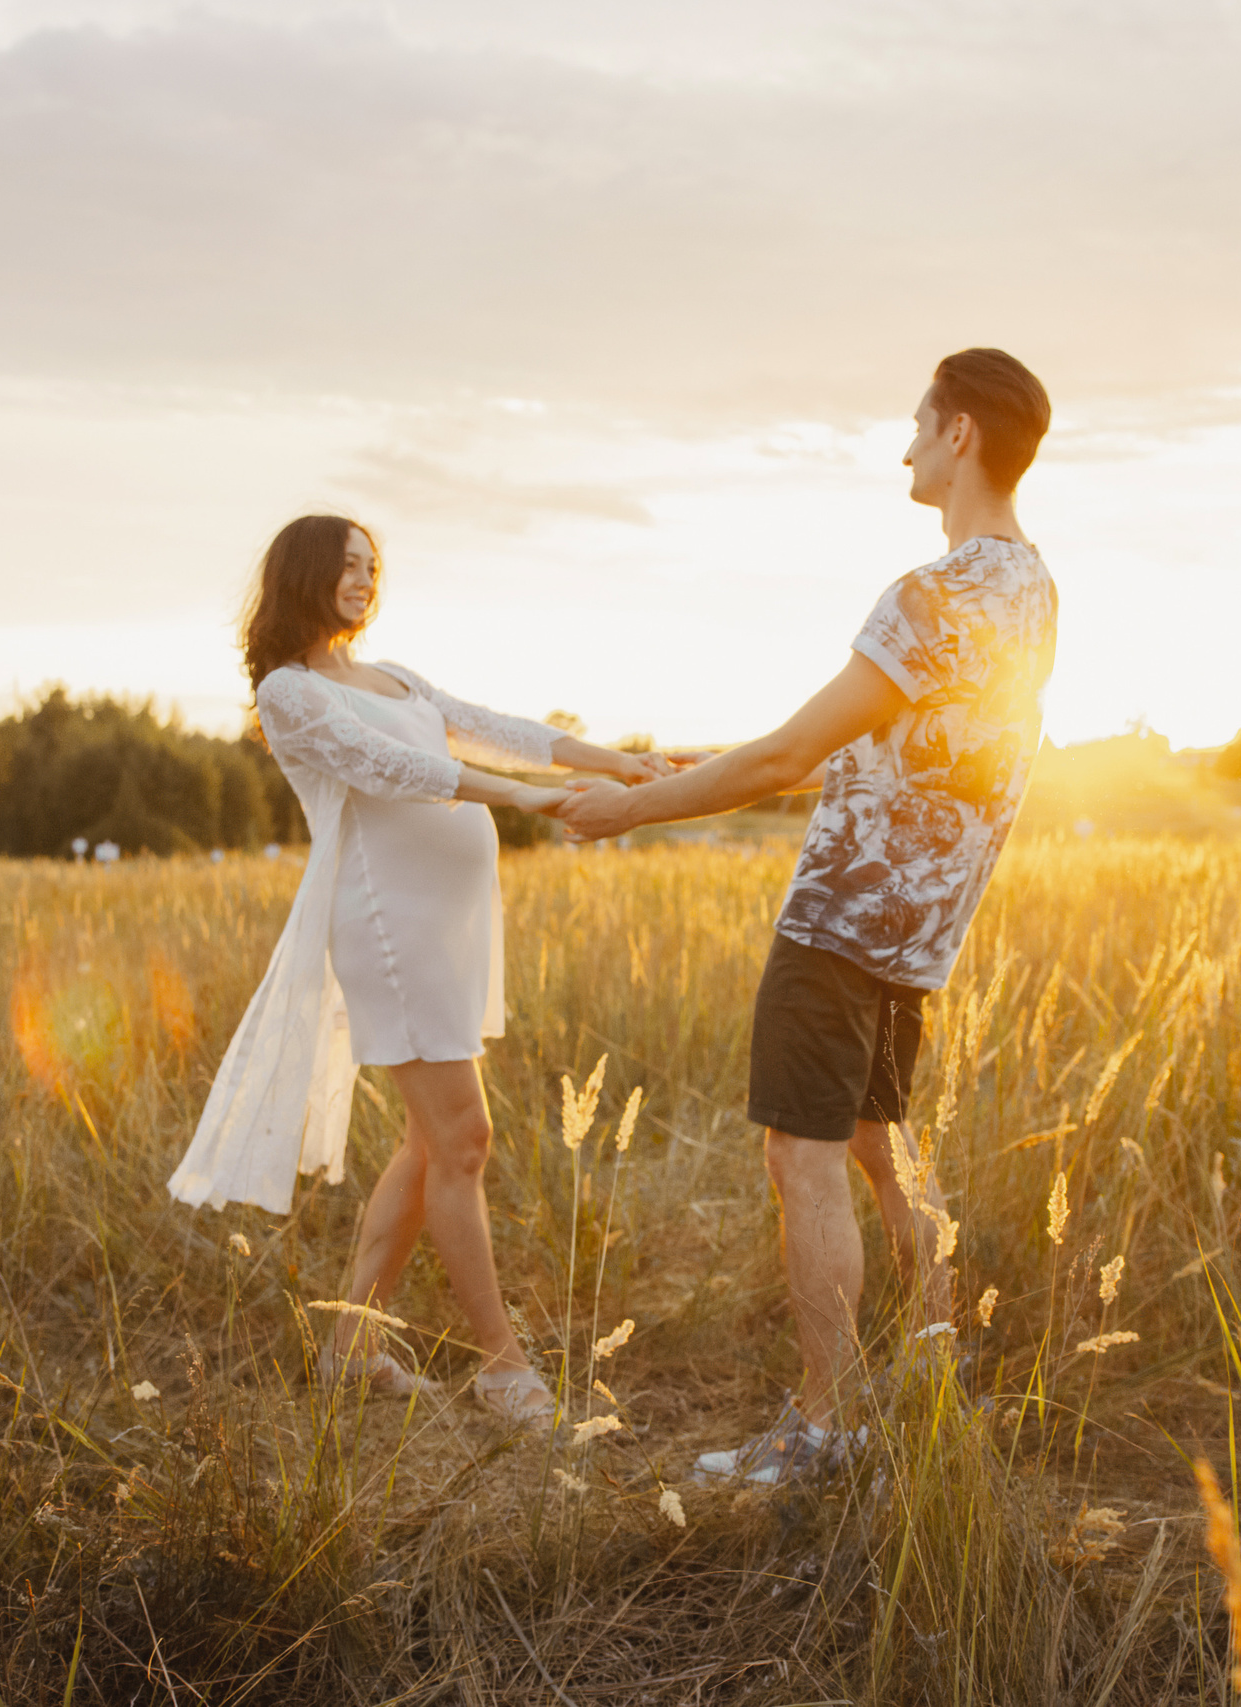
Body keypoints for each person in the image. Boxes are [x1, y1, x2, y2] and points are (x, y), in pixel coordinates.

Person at [560, 348, 1058, 1483]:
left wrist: (632, 810)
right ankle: (936, 1369)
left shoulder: (929, 593)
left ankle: (824, 1431)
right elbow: (880, 752)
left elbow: (798, 746)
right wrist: (705, 764)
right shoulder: (1029, 590)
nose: (905, 448)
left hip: (840, 923)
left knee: (806, 1158)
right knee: (883, 1149)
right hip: (918, 935)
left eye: (918, 426)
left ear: (960, 435)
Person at [168, 514, 667, 1427]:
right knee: (463, 1137)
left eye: (372, 566)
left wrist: (612, 760)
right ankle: (502, 1365)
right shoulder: (290, 692)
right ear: (305, 575)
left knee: (431, 1141)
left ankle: (351, 1349)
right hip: (388, 925)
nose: (363, 579)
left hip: (450, 926)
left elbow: (493, 726)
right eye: (346, 566)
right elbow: (396, 767)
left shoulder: (391, 676)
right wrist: (520, 797)